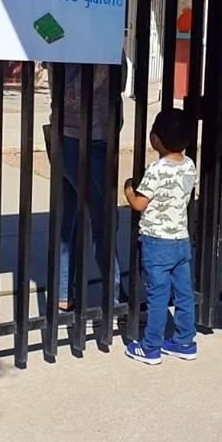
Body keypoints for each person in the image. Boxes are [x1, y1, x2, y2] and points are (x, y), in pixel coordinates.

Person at [122, 109, 198, 365]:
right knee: (184, 293)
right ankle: (184, 341)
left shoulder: (156, 169)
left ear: (155, 139)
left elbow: (139, 204)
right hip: (181, 239)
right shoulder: (189, 165)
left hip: (157, 242)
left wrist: (128, 189)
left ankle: (150, 346)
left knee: (158, 296)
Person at [53, 59, 127, 313]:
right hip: (94, 136)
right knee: (102, 220)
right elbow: (119, 82)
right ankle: (115, 297)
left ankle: (64, 292)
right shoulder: (101, 40)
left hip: (64, 133)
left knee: (70, 218)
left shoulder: (61, 39)